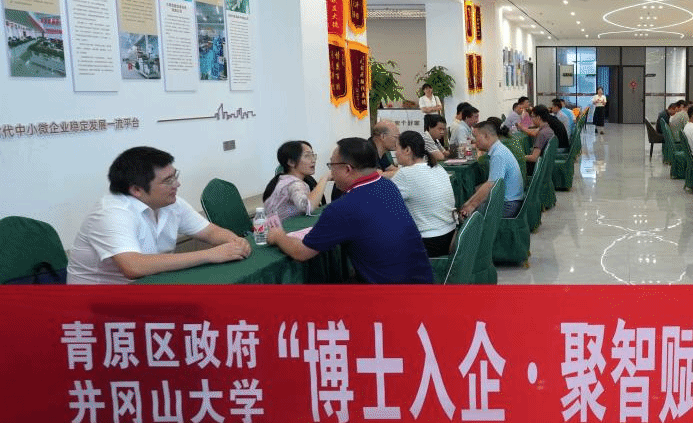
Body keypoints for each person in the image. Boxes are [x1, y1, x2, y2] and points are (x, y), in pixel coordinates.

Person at [67, 146, 252, 284]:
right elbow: (133, 266)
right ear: (136, 190)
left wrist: (235, 242)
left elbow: (210, 232)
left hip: (149, 288)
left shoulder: (171, 203)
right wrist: (210, 254)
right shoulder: (112, 213)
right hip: (100, 305)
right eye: (168, 181)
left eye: (175, 176)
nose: (177, 184)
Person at [268, 137, 433, 283]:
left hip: (387, 294)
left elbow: (301, 252)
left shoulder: (343, 207)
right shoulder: (387, 186)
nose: (331, 171)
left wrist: (278, 236)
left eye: (332, 165)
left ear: (347, 169)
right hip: (422, 281)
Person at [393, 130, 458, 258]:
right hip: (449, 235)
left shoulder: (405, 174)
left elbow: (382, 202)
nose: (395, 153)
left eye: (397, 148)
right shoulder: (438, 168)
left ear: (407, 150)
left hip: (428, 242)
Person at [460, 120, 525, 218]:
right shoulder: (499, 149)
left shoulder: (498, 155)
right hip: (512, 201)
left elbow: (491, 185)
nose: (475, 141)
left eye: (476, 137)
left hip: (508, 205)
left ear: (486, 136)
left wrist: (471, 206)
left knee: (471, 215)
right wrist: (469, 202)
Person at [262, 140, 330, 220]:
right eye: (307, 156)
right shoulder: (293, 183)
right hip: (284, 227)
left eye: (312, 155)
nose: (313, 160)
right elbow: (308, 207)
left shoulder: (286, 179)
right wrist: (325, 178)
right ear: (291, 162)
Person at [525, 104, 568, 174]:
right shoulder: (548, 129)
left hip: (538, 169)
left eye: (532, 116)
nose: (531, 119)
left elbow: (534, 158)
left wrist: (519, 157)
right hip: (546, 166)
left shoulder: (542, 134)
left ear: (538, 117)